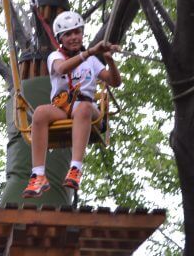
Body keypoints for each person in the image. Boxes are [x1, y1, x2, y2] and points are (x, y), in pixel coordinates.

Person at [22, 11, 122, 198]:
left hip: (86, 109)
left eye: (77, 32)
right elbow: (61, 68)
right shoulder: (55, 56)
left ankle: (75, 168)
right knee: (40, 113)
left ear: (82, 34)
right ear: (60, 38)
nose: (74, 37)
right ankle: (38, 174)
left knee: (83, 107)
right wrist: (90, 51)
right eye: (68, 34)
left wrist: (109, 60)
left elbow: (114, 81)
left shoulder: (91, 61)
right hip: (63, 108)